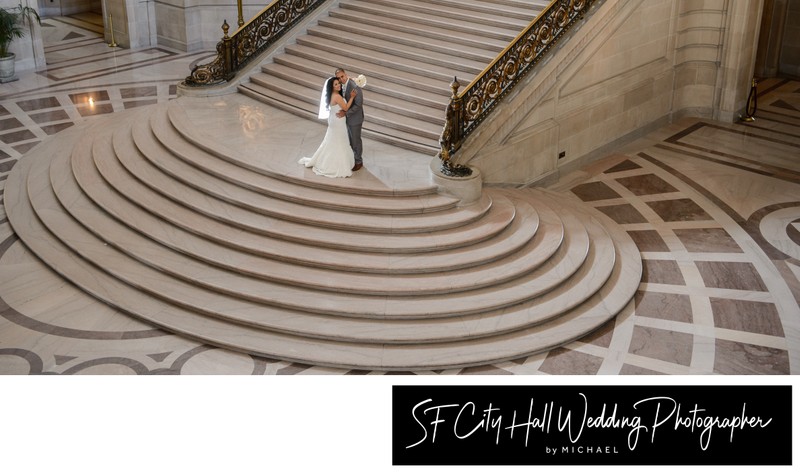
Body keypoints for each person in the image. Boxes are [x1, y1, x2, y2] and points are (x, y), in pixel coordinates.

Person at [299, 77, 357, 178]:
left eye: (338, 83)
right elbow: (346, 107)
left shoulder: (333, 95)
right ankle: (334, 164)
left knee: (332, 140)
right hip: (338, 122)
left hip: (334, 120)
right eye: (336, 84)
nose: (338, 85)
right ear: (332, 87)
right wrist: (352, 97)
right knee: (339, 141)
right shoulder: (337, 97)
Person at [335, 67, 364, 171]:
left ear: (345, 74)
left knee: (356, 141)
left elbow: (358, 105)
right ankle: (353, 159)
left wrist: (346, 113)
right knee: (351, 140)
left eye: (342, 76)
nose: (341, 79)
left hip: (355, 118)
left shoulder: (354, 86)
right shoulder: (341, 86)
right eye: (339, 78)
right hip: (348, 119)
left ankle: (359, 162)